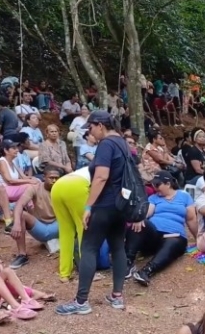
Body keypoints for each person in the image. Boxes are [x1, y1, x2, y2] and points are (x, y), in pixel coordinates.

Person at [56, 110, 130, 315]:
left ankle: (81, 301)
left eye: (90, 127)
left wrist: (88, 206)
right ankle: (117, 296)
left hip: (104, 204)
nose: (89, 132)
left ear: (100, 125)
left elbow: (101, 176)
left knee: (88, 247)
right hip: (121, 204)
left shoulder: (106, 144)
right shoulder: (122, 143)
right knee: (118, 247)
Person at [126, 171, 197, 286]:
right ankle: (127, 262)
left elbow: (191, 219)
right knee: (141, 223)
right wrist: (140, 218)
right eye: (153, 185)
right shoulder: (154, 198)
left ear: (168, 184)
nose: (155, 188)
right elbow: (148, 212)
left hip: (174, 235)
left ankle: (147, 271)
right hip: (154, 235)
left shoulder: (184, 196)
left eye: (158, 185)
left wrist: (198, 238)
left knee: (174, 241)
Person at [8, 167, 60, 270]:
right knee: (22, 215)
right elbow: (19, 204)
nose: (54, 180)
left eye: (56, 178)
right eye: (51, 178)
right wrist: (16, 223)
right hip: (40, 227)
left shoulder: (61, 188)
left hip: (57, 227)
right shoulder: (35, 188)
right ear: (44, 177)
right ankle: (22, 255)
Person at [51, 167, 91, 283]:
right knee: (84, 229)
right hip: (77, 186)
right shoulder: (112, 167)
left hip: (58, 186)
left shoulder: (89, 167)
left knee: (65, 232)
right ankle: (86, 273)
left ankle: (64, 274)